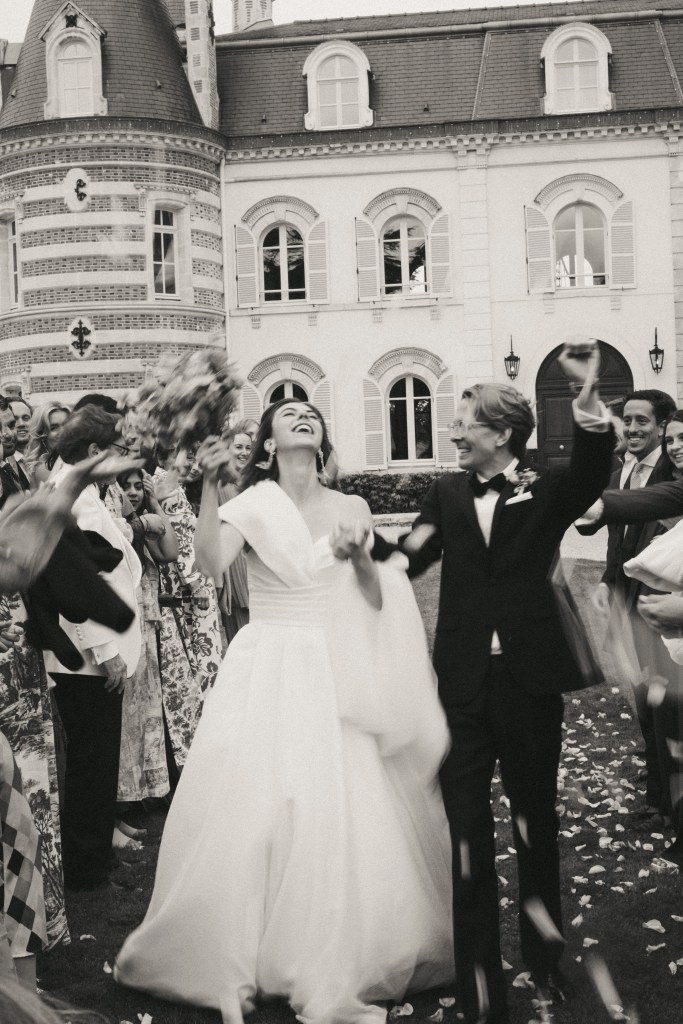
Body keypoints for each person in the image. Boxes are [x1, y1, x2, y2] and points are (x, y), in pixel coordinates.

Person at [115, 399, 454, 1022]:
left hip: (337, 661)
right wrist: (210, 486)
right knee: (260, 801)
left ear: (322, 440)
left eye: (311, 413)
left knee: (340, 800)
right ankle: (245, 943)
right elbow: (210, 563)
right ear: (268, 443)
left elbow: (375, 598)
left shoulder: (352, 507)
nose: (303, 416)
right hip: (269, 663)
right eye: (289, 411)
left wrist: (360, 559)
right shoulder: (252, 504)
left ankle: (333, 946)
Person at [399, 339, 614, 1024]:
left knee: (534, 826)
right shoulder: (445, 492)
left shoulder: (545, 489)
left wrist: (588, 408)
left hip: (528, 682)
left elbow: (593, 469)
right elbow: (410, 554)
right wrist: (358, 548)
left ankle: (545, 962)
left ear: (500, 433)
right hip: (460, 686)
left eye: (464, 424)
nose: (454, 434)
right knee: (466, 834)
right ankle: (478, 982)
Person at [44, 406, 142, 890]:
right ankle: (87, 868)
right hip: (87, 658)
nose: (125, 457)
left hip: (94, 653)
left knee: (99, 760)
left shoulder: (83, 490)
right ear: (95, 451)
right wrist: (105, 651)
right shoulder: (72, 496)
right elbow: (75, 582)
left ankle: (97, 853)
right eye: (120, 450)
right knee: (91, 762)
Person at [581, 389, 676, 822]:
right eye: (628, 420)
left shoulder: (673, 473)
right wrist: (606, 580)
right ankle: (655, 784)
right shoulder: (620, 470)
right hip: (624, 606)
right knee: (644, 705)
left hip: (660, 609)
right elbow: (614, 540)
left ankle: (665, 802)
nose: (633, 429)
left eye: (642, 421)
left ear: (661, 426)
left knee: (665, 708)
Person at [113, 466, 178, 839]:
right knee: (125, 718)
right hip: (124, 629)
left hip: (147, 630)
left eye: (139, 486)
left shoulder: (144, 524)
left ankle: (137, 796)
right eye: (127, 487)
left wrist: (155, 503)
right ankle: (119, 803)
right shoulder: (119, 529)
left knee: (144, 717)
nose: (134, 492)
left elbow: (170, 551)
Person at [216, 428, 252, 642]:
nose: (244, 452)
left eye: (248, 448)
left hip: (254, 556)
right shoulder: (219, 484)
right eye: (238, 447)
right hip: (232, 561)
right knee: (239, 635)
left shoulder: (255, 482)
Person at [23, 402, 70, 487]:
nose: (63, 432)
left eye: (67, 425)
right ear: (42, 435)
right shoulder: (44, 469)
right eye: (54, 428)